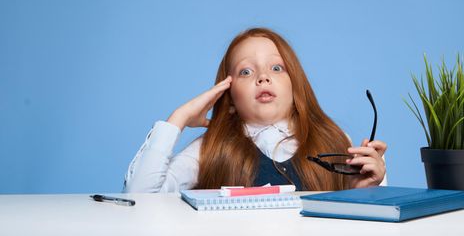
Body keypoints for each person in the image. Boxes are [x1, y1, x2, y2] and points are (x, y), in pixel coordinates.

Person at [124, 27, 387, 193]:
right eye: (246, 72)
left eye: (276, 68)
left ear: (296, 84)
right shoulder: (211, 149)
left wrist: (369, 189)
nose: (263, 77)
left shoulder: (335, 139)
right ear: (228, 95)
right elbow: (140, 198)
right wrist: (177, 120)